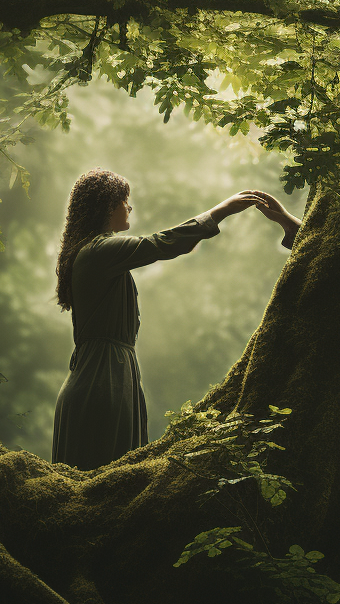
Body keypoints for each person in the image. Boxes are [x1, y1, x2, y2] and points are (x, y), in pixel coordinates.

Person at [51, 168, 301, 469]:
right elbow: (161, 243)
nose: (129, 207)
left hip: (107, 374)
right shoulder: (98, 251)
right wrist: (222, 210)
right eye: (124, 200)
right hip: (102, 381)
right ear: (106, 206)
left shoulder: (95, 252)